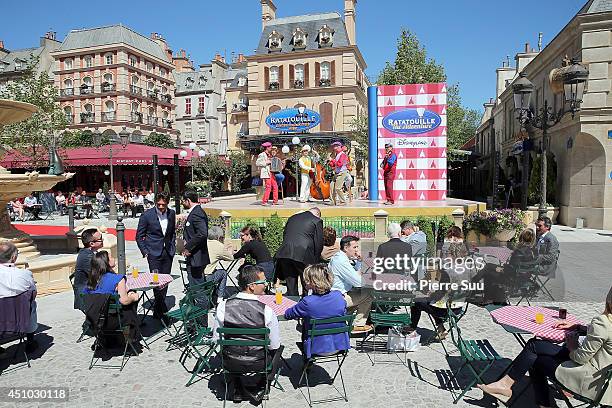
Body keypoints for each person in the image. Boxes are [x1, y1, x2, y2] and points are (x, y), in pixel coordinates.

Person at [478, 285, 612, 407]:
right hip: (604, 379)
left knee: (535, 357)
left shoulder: (603, 322)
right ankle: (505, 386)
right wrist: (578, 327)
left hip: (588, 377)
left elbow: (580, 358)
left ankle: (539, 402)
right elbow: (604, 336)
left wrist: (572, 345)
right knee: (534, 346)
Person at [212, 265, 281, 403]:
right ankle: (262, 385)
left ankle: (237, 386)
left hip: (230, 361)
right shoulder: (267, 311)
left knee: (233, 346)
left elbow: (216, 340)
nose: (266, 285)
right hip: (259, 362)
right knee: (278, 348)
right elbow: (274, 345)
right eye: (263, 282)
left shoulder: (223, 307)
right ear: (252, 286)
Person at [284, 263, 349, 358]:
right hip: (339, 346)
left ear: (312, 282)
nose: (304, 282)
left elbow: (288, 315)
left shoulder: (307, 302)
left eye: (306, 280)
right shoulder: (338, 296)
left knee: (305, 324)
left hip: (315, 348)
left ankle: (307, 364)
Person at [136, 192, 176, 321]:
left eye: (163, 205)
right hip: (153, 253)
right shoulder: (147, 216)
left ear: (167, 203)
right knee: (156, 281)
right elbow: (139, 236)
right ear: (155, 203)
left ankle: (159, 308)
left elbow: (172, 232)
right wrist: (145, 251)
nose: (161, 207)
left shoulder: (172, 213)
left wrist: (173, 246)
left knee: (165, 280)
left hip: (167, 252)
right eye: (158, 204)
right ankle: (161, 310)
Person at [471, 228, 536, 304]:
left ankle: (476, 288)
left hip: (513, 280)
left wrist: (501, 269)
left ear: (521, 238)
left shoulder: (519, 252)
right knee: (489, 266)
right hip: (524, 278)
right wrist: (501, 268)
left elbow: (511, 270)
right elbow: (517, 268)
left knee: (488, 273)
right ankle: (478, 288)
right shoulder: (532, 251)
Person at [275, 208, 324, 296]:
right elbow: (319, 243)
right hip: (304, 255)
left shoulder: (292, 218)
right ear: (317, 214)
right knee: (307, 286)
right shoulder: (317, 220)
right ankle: (305, 307)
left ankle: (293, 306)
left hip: (285, 253)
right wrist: (316, 262)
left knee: (291, 287)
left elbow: (285, 235)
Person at [0, 241, 38, 353]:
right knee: (31, 304)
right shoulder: (25, 274)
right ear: (13, 257)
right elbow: (33, 294)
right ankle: (30, 341)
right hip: (20, 320)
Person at [329, 235, 372, 332]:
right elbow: (358, 282)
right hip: (338, 297)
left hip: (338, 294)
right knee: (368, 295)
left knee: (359, 293)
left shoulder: (339, 257)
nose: (357, 250)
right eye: (354, 247)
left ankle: (346, 317)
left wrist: (360, 261)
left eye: (357, 247)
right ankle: (358, 324)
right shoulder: (341, 261)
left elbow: (354, 273)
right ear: (346, 248)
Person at [181, 190, 210, 318]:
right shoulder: (195, 212)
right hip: (194, 258)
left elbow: (202, 233)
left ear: (188, 200)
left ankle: (202, 324)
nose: (182, 202)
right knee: (194, 289)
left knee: (198, 291)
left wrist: (188, 247)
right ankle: (195, 320)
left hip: (196, 258)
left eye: (183, 200)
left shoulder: (197, 213)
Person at [73, 228, 104, 310]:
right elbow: (99, 274)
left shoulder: (91, 253)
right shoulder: (87, 257)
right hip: (86, 294)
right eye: (100, 239)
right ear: (92, 244)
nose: (102, 240)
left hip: (92, 288)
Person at [204, 226, 233, 300]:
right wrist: (229, 250)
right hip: (208, 278)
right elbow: (231, 258)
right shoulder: (218, 245)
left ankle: (214, 293)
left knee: (216, 270)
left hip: (198, 276)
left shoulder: (204, 242)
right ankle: (220, 298)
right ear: (219, 237)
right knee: (223, 273)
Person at [256, 141, 278, 206]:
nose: (271, 148)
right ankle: (264, 201)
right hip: (266, 173)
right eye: (270, 147)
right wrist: (266, 162)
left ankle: (275, 201)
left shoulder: (269, 154)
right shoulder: (262, 154)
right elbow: (257, 163)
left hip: (272, 172)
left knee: (275, 186)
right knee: (268, 187)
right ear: (267, 147)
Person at [329, 141, 349, 206]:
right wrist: (330, 162)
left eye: (336, 146)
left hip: (342, 173)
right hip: (337, 173)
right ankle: (333, 202)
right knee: (331, 186)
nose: (334, 148)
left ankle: (343, 201)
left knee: (338, 188)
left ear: (339, 147)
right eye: (334, 146)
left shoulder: (343, 154)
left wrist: (332, 160)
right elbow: (334, 165)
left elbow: (340, 164)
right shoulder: (337, 155)